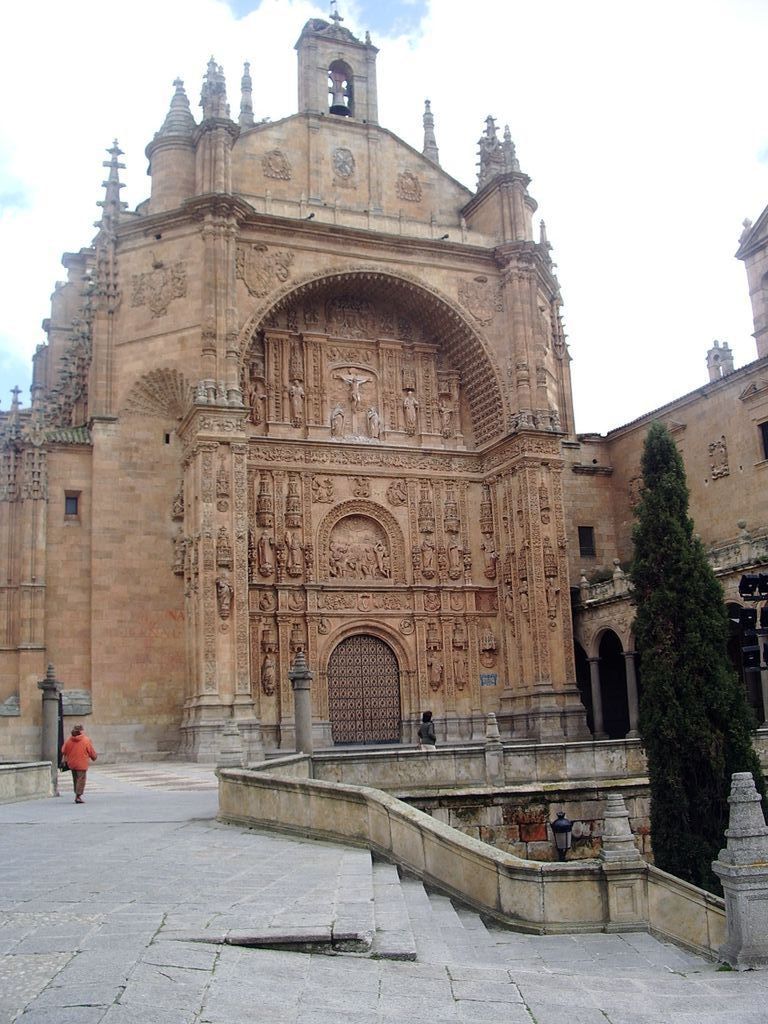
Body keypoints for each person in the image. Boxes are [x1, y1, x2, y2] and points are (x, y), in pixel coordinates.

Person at [61, 724, 97, 804]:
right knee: (81, 779)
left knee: (75, 779)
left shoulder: (68, 740)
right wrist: (94, 757)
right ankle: (78, 796)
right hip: (82, 763)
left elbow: (63, 750)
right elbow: (91, 751)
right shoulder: (85, 740)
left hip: (72, 763)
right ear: (81, 731)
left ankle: (77, 794)